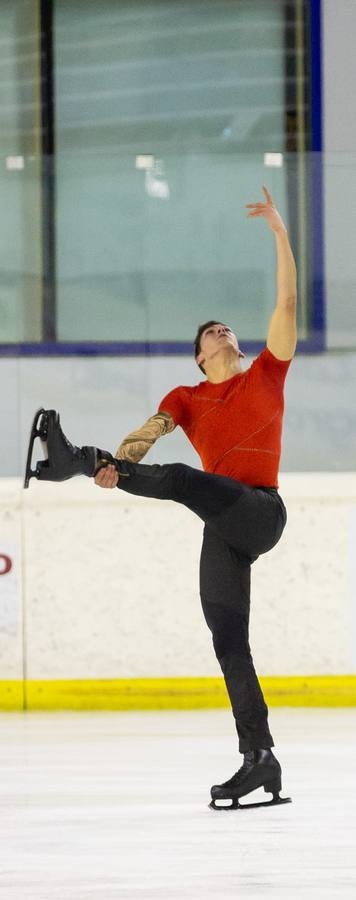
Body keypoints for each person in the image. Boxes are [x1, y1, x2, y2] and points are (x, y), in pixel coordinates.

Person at [25, 186, 297, 809]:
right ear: (201, 357)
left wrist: (280, 234)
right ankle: (260, 758)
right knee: (229, 640)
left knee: (178, 481)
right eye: (209, 333)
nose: (221, 331)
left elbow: (285, 300)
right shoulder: (187, 396)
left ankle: (73, 459)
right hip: (221, 526)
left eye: (225, 328)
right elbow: (149, 435)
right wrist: (118, 467)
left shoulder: (266, 374)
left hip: (259, 512)